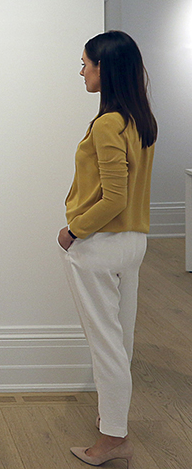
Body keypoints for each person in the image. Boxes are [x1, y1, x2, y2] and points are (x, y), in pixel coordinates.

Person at [58, 30, 157, 468]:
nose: (81, 70)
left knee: (106, 346)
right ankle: (114, 427)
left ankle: (112, 439)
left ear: (105, 68)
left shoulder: (107, 123)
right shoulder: (140, 120)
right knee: (122, 341)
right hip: (133, 243)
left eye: (85, 63)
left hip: (100, 245)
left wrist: (74, 230)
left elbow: (113, 197)